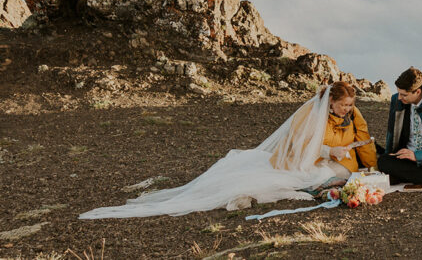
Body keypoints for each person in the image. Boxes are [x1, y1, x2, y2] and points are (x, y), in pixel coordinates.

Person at [80, 80, 373, 219]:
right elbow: (296, 144)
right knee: (299, 181)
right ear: (330, 102)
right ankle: (244, 196)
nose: (349, 109)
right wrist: (325, 151)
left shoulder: (350, 115)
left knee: (333, 177)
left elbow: (363, 138)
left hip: (327, 160)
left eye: (351, 105)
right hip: (297, 161)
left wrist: (368, 163)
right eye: (344, 105)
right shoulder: (309, 115)